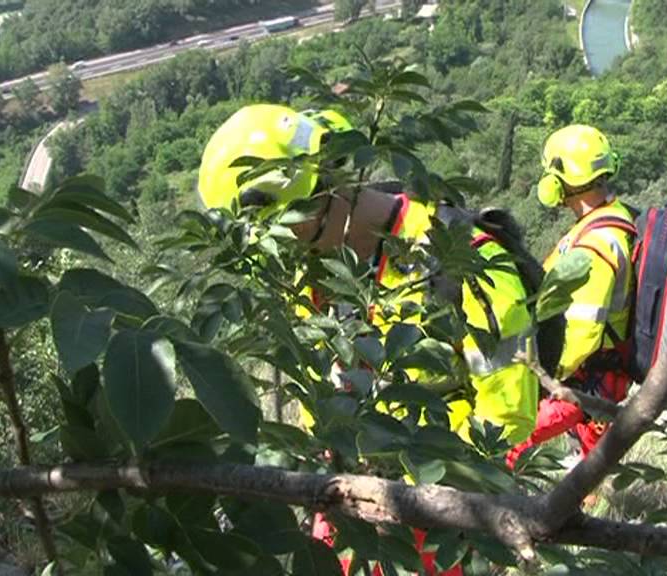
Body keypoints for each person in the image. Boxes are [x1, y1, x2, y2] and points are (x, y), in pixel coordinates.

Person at [198, 103, 541, 575]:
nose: (283, 248)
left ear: (317, 196)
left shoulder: (465, 261)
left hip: (445, 517)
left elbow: (507, 420)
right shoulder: (319, 280)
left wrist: (407, 490)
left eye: (282, 230)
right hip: (351, 508)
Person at [506, 124, 636, 468]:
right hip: (596, 376)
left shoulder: (597, 242)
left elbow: (583, 329)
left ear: (560, 180)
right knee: (592, 468)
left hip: (584, 379)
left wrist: (543, 376)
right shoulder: (606, 218)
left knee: (507, 443)